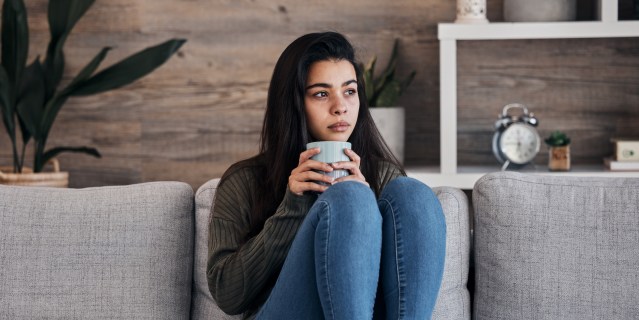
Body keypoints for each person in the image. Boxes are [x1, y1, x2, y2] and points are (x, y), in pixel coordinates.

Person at [207, 31, 446, 320]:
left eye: (349, 91)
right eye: (321, 94)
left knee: (414, 194)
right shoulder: (245, 180)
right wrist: (292, 208)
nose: (340, 106)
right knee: (352, 198)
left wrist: (367, 207)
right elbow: (228, 297)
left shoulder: (384, 175)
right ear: (294, 103)